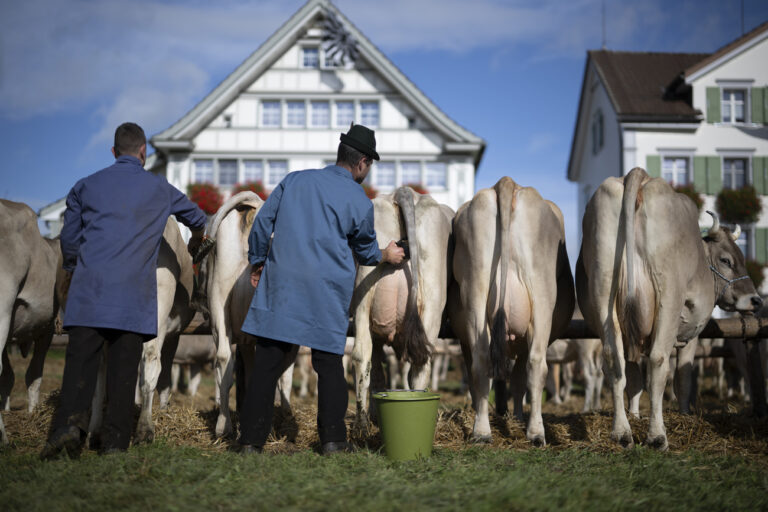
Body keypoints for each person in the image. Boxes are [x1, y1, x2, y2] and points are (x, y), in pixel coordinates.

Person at [41, 122, 207, 459]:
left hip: (88, 296)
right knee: (122, 372)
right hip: (132, 302)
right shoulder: (160, 189)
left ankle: (69, 429)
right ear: (143, 152)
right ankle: (115, 443)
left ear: (114, 152)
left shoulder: (84, 186)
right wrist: (197, 243)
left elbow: (69, 241)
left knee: (79, 369)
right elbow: (199, 218)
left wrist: (74, 270)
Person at [238, 124, 405, 455]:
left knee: (267, 362)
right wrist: (388, 254)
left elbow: (261, 224)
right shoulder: (358, 199)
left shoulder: (295, 180)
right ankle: (332, 441)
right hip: (325, 292)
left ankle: (250, 442)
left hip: (281, 286)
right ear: (362, 163)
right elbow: (366, 250)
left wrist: (258, 262)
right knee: (329, 366)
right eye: (369, 164)